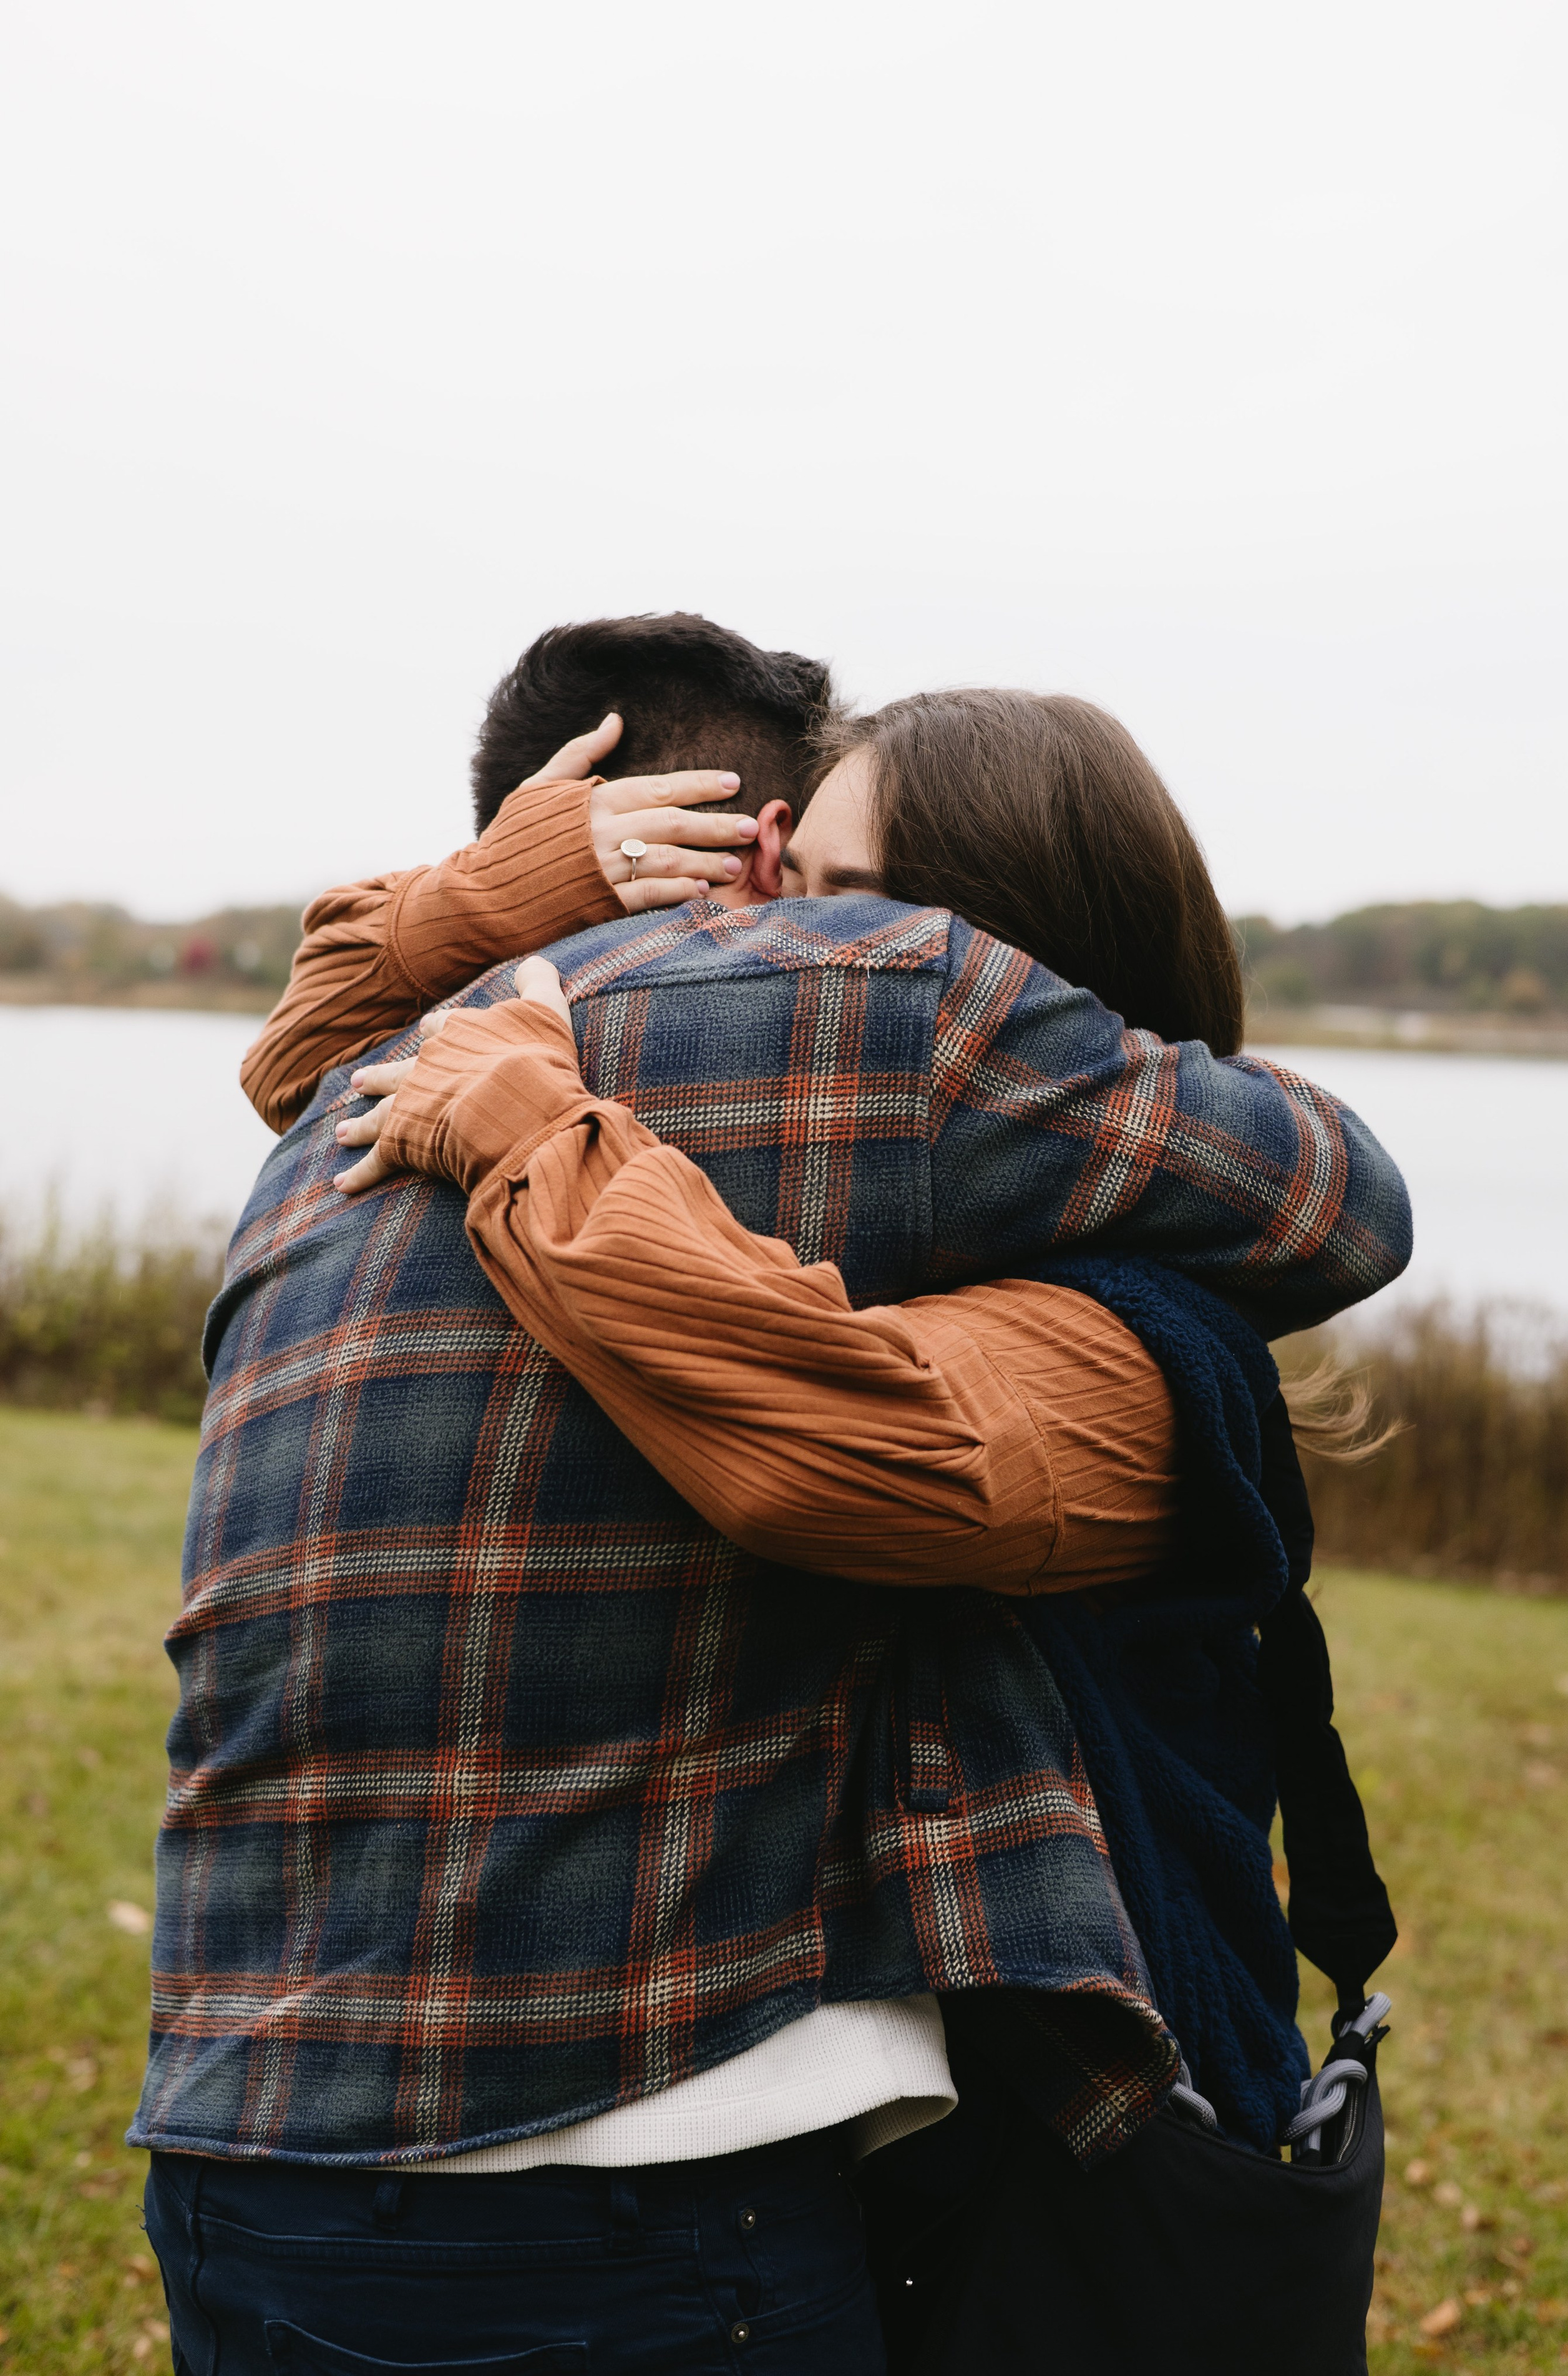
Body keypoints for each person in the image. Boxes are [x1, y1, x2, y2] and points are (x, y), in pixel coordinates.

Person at [137, 625, 1409, 2374]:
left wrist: (538, 1124)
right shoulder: (719, 1053)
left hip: (242, 2130)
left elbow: (847, 1445)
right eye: (775, 866)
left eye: (838, 887)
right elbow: (1336, 1194)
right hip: (632, 2171)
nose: (768, 914)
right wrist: (508, 905)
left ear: (1016, 942)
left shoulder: (459, 1083)